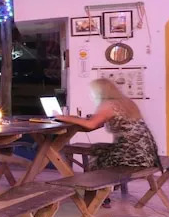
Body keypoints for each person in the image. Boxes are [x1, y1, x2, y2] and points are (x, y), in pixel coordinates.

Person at [55, 78, 161, 207]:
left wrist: (63, 118)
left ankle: (97, 195)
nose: (91, 94)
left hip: (133, 155)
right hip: (147, 153)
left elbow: (91, 125)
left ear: (100, 92)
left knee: (97, 155)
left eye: (92, 91)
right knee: (97, 148)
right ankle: (101, 191)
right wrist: (78, 119)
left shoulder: (108, 104)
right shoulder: (126, 102)